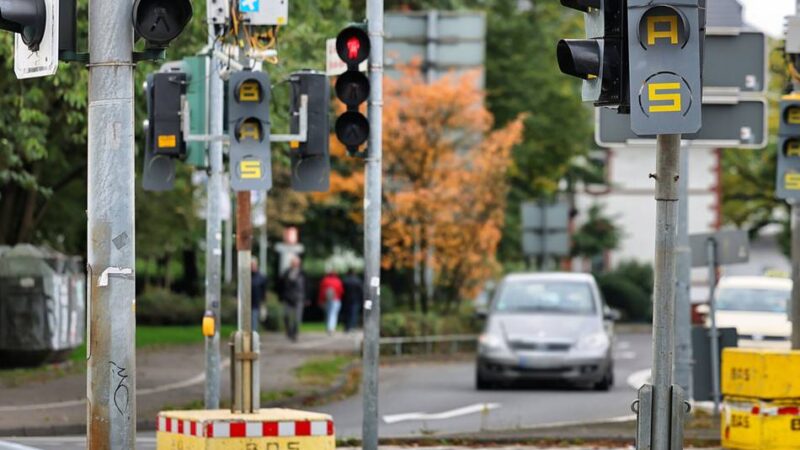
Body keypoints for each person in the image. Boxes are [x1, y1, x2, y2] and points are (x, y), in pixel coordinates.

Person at [278, 256, 306, 342]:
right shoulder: (286, 273)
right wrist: (281, 296)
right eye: (293, 263)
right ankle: (288, 331)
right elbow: (281, 285)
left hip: (299, 298)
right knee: (286, 315)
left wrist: (307, 298)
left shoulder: (302, 273)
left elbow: (306, 286)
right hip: (288, 298)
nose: (295, 264)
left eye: (296, 263)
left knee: (297, 317)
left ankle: (295, 333)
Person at [318, 269, 344, 335]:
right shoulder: (338, 281)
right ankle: (331, 328)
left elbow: (321, 291)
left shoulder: (324, 280)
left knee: (328, 314)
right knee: (333, 314)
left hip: (326, 300)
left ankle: (328, 327)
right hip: (336, 299)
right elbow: (341, 291)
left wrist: (320, 300)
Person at [251, 258, 268, 332]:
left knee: (254, 320)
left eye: (254, 265)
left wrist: (263, 302)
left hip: (256, 302)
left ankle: (254, 336)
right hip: (247, 303)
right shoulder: (245, 276)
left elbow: (264, 291)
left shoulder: (261, 277)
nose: (252, 267)